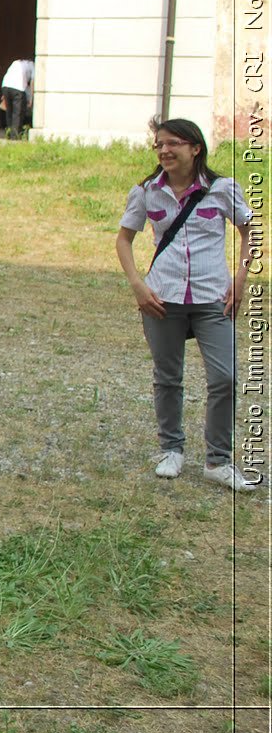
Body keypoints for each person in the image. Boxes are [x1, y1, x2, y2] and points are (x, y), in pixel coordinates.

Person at [116, 117, 256, 492]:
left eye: (173, 143)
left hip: (213, 297)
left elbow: (249, 232)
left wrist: (240, 280)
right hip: (162, 298)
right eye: (158, 144)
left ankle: (217, 461)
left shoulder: (223, 189)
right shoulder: (146, 191)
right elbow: (124, 240)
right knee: (168, 376)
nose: (164, 150)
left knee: (224, 377)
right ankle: (171, 450)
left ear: (196, 148)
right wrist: (138, 286)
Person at [0, 57, 33, 140]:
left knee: (9, 112)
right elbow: (33, 82)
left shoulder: (15, 62)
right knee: (17, 113)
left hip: (5, 86)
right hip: (18, 88)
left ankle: (8, 134)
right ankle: (15, 136)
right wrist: (31, 98)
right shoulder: (33, 65)